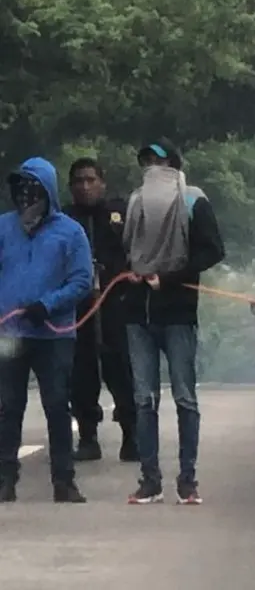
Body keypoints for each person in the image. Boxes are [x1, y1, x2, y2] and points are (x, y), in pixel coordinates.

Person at [121, 140, 225, 506]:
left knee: (185, 397)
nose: (152, 168)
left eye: (158, 161)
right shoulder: (134, 202)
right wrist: (130, 274)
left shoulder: (194, 200)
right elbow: (124, 250)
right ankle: (150, 480)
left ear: (174, 165)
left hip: (178, 310)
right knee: (143, 399)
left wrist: (167, 277)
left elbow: (212, 250)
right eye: (146, 162)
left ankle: (187, 480)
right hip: (138, 313)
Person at [0, 157, 94, 503]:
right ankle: (5, 479)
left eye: (33, 190)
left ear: (47, 193)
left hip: (54, 333)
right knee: (8, 406)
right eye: (20, 190)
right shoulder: (3, 228)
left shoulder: (70, 232)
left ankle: (64, 481)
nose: (26, 198)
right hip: (10, 331)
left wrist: (48, 304)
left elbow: (82, 280)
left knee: (57, 404)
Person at [65, 158, 139, 463]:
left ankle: (132, 436)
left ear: (102, 182)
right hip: (77, 308)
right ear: (71, 187)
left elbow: (138, 250)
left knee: (121, 370)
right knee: (80, 372)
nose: (85, 186)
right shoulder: (64, 220)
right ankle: (87, 436)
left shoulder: (120, 214)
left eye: (91, 180)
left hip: (115, 304)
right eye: (79, 181)